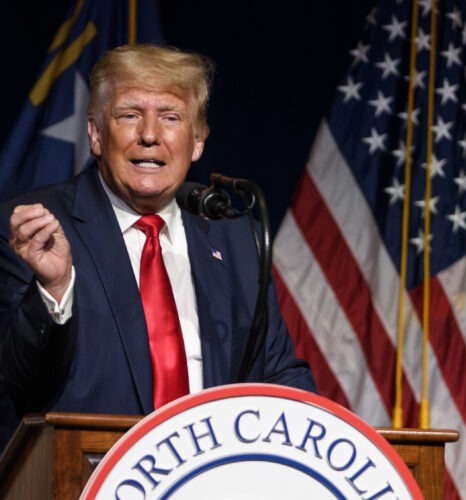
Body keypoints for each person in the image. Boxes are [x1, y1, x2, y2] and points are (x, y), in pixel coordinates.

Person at [0, 44, 316, 452]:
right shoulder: (35, 232)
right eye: (130, 115)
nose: (150, 135)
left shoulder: (237, 238)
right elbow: (20, 384)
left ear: (198, 141)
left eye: (170, 117)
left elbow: (276, 375)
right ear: (96, 133)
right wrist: (54, 290)